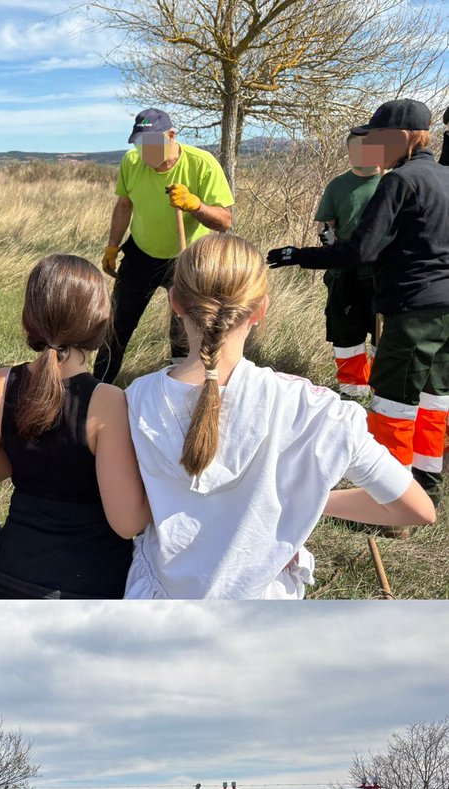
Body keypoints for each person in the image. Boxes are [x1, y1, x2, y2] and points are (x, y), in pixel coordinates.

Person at [124, 233, 436, 600]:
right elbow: (417, 509)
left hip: (156, 609)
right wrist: (308, 499)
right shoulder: (314, 411)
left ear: (175, 302)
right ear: (260, 310)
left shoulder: (133, 401)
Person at [268, 99, 449, 502]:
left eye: (377, 140)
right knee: (434, 401)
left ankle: (390, 500)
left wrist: (298, 255)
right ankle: (427, 489)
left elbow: (359, 252)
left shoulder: (399, 182)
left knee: (392, 403)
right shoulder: (445, 177)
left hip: (412, 310)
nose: (373, 149)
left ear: (402, 137)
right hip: (445, 311)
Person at [0, 254, 150, 598]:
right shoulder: (108, 401)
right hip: (91, 581)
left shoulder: (1, 384)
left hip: (15, 571)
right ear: (99, 322)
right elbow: (126, 522)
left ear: (31, 316)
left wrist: (17, 448)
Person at [95, 109, 234, 385]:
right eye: (140, 144)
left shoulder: (202, 164)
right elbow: (124, 204)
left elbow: (225, 221)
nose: (145, 152)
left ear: (171, 136)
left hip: (187, 258)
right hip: (141, 254)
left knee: (184, 332)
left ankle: (182, 389)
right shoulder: (132, 162)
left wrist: (195, 205)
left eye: (152, 144)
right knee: (116, 325)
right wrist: (112, 246)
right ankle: (97, 387)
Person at [314, 135, 384, 401]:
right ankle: (353, 393)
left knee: (384, 337)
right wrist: (331, 248)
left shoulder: (392, 181)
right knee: (346, 336)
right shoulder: (338, 186)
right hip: (345, 274)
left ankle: (381, 392)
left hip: (382, 275)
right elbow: (325, 225)